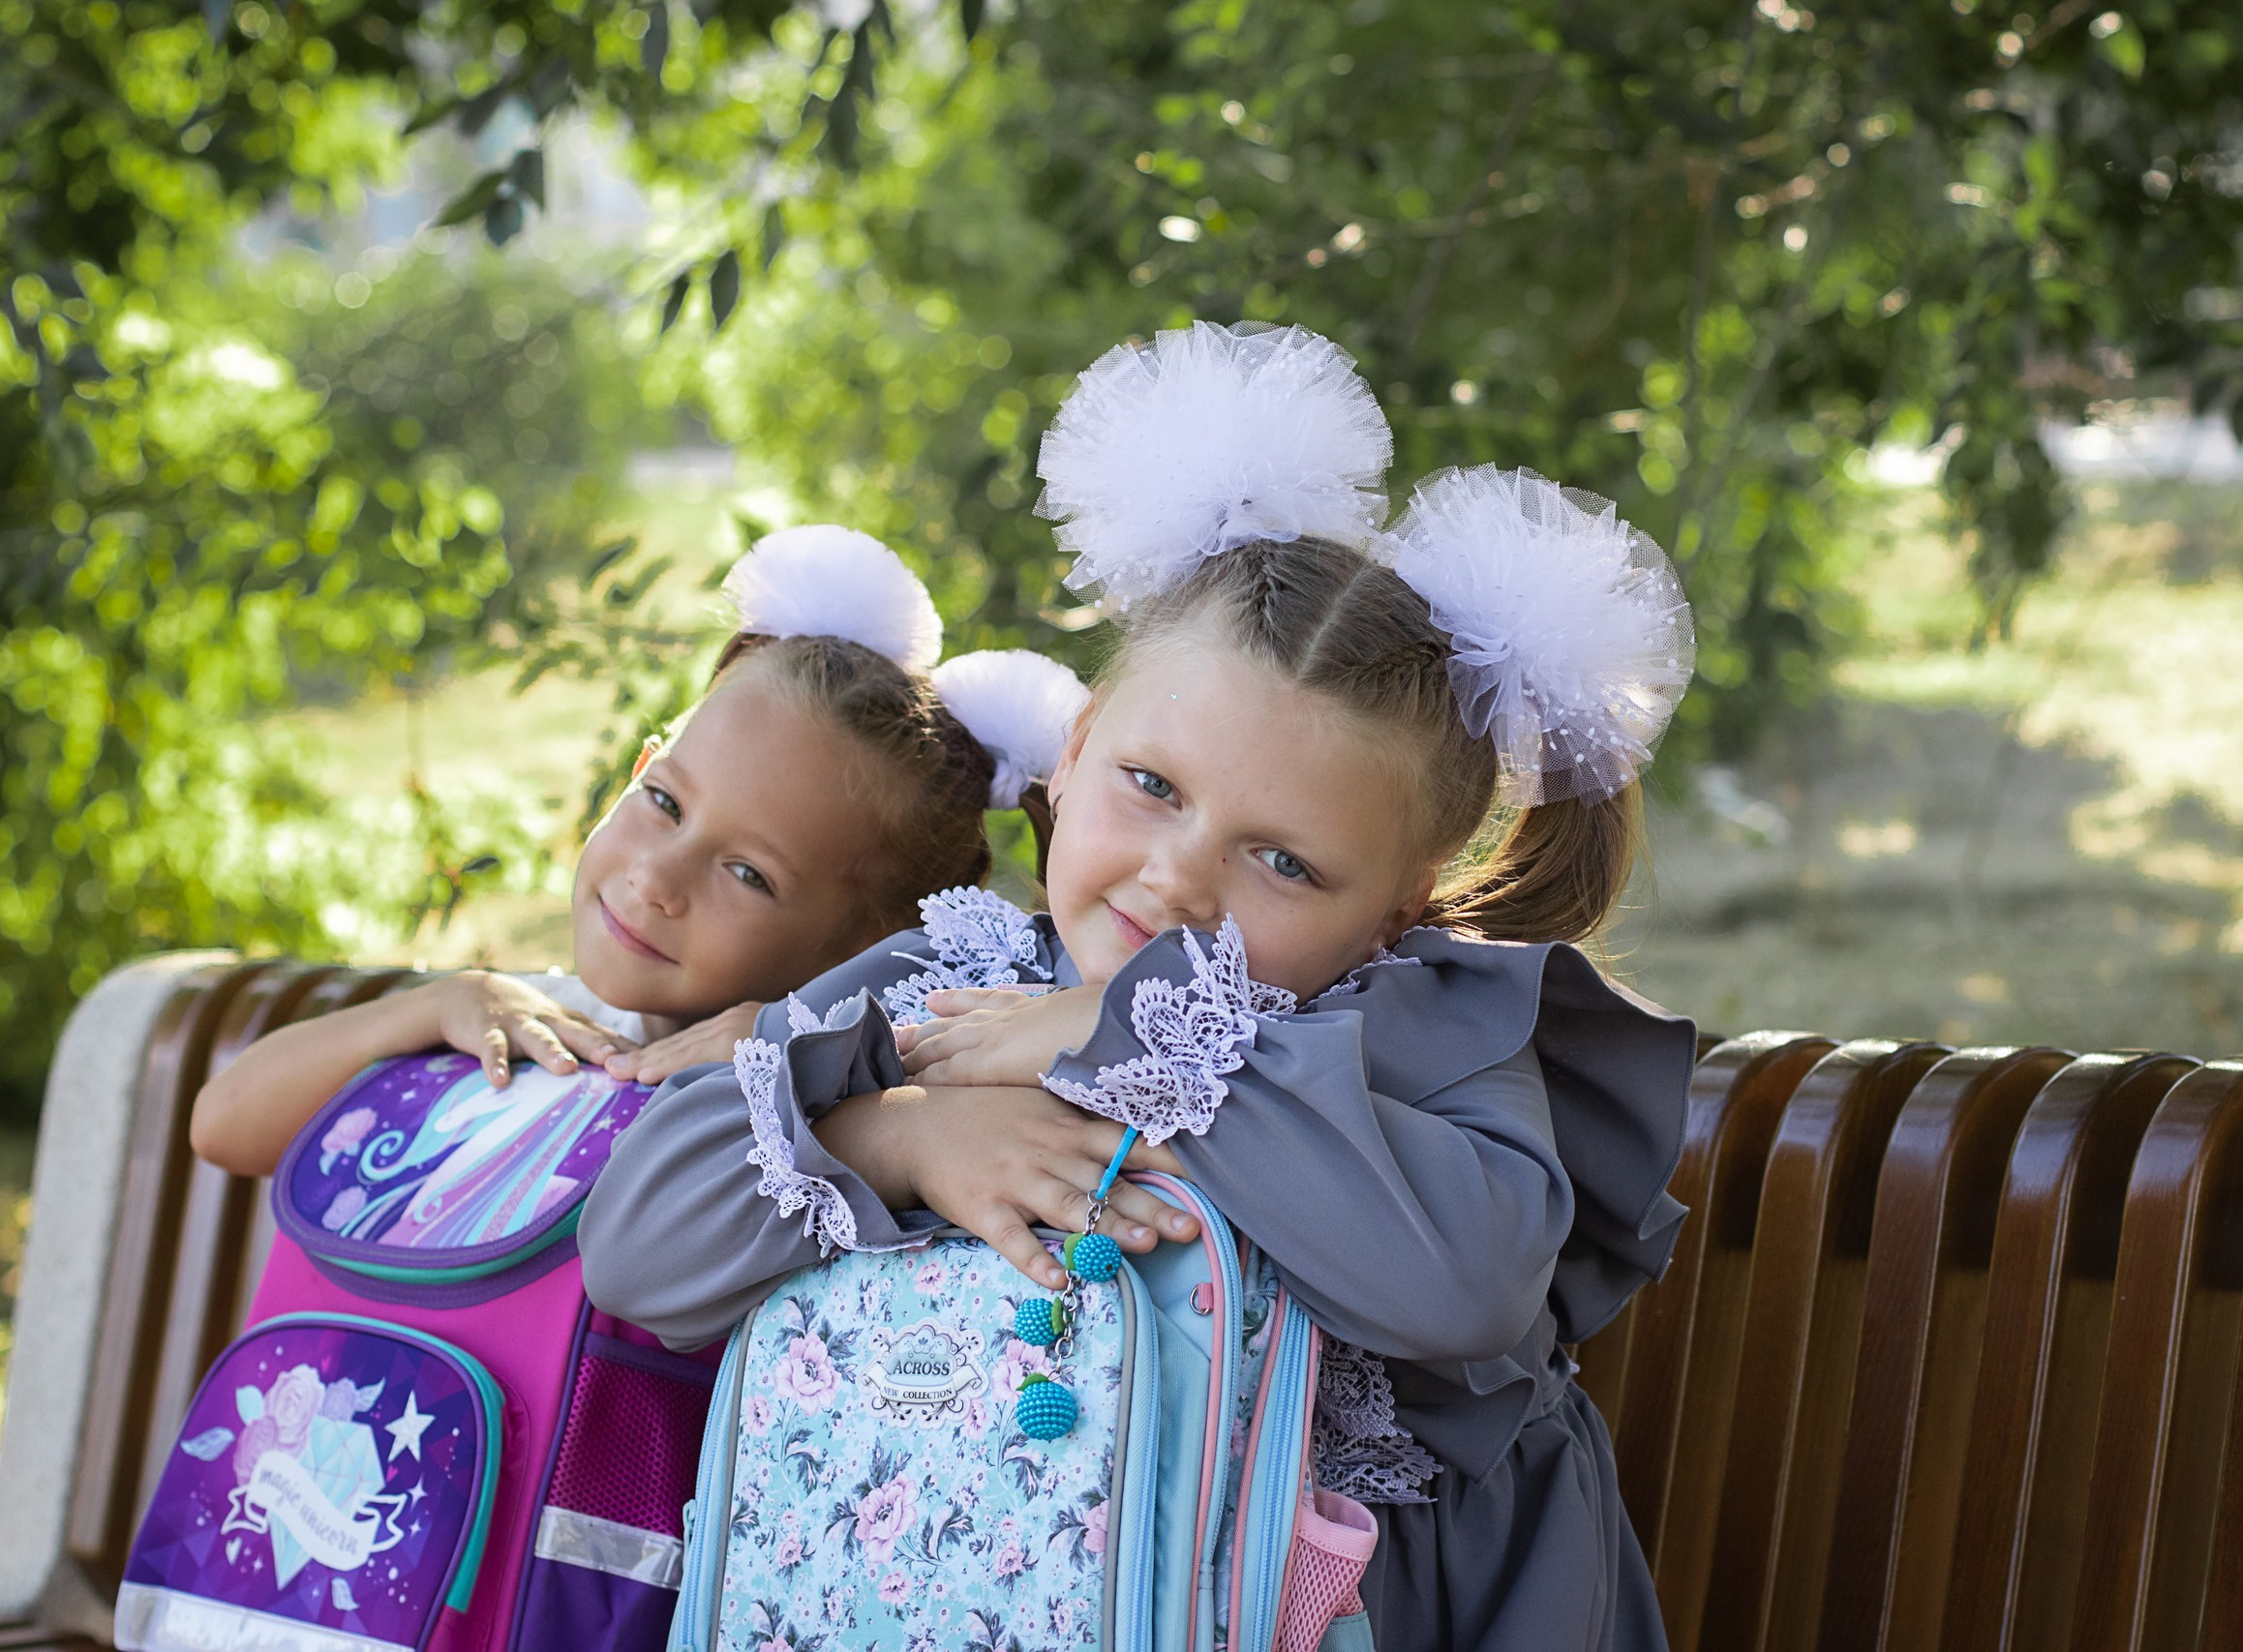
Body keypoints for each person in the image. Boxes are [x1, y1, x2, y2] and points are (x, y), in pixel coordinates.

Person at [578, 322, 1700, 1652]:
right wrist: (895, 1130)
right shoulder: (963, 974)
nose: (1174, 881)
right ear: (1078, 743)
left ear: (1398, 900)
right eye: (1151, 786)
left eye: (1282, 858)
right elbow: (636, 1250)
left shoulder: (1419, 1032)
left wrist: (1132, 1043)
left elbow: (1458, 1287)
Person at [190, 526, 1076, 1177]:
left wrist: (789, 1069)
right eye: (663, 801)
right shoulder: (536, 1026)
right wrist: (436, 1006)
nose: (655, 877)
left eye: (748, 874)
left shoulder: (823, 1117)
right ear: (641, 763)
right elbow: (225, 1123)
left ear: (860, 946)